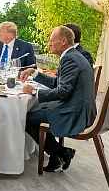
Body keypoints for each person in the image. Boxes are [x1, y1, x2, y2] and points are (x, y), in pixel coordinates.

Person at [19, 26, 96, 172]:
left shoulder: (70, 59)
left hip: (75, 113)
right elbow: (58, 83)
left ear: (63, 41)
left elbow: (62, 92)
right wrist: (35, 73)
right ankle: (58, 155)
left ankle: (60, 152)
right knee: (37, 110)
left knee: (28, 118)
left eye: (52, 40)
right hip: (78, 107)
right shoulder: (73, 55)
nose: (49, 44)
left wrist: (34, 90)